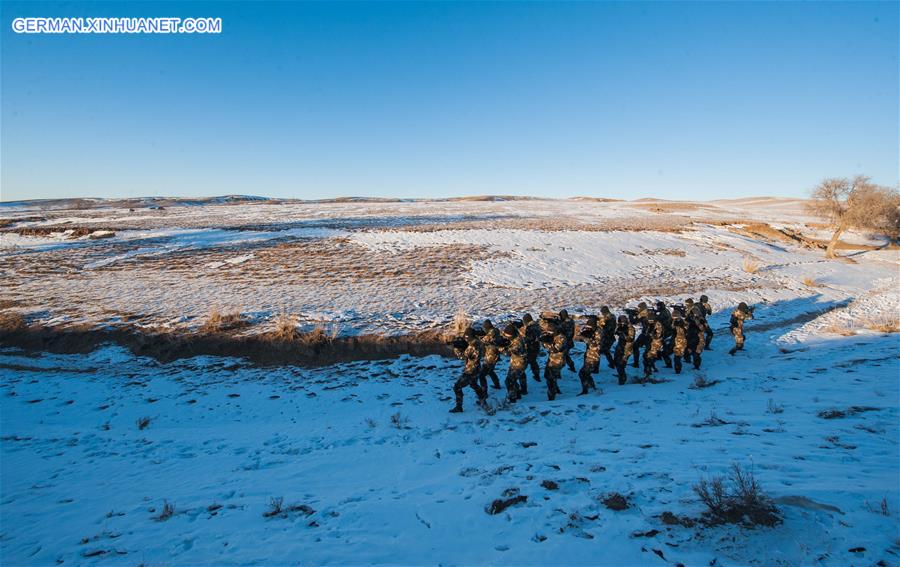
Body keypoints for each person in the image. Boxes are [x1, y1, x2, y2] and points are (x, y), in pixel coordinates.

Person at [450, 328, 487, 413]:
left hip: (470, 371)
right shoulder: (478, 342)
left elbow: (462, 356)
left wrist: (456, 349)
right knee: (474, 384)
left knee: (457, 387)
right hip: (477, 368)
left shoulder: (472, 346)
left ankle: (459, 407)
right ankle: (483, 401)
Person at [540, 313, 566, 400]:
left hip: (558, 360)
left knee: (551, 379)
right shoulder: (553, 336)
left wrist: (545, 343)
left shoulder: (561, 338)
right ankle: (556, 389)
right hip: (552, 359)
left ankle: (552, 397)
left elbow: (555, 349)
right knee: (547, 375)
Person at [575, 316, 601, 395]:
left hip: (593, 356)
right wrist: (583, 334)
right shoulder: (592, 331)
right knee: (586, 373)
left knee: (582, 373)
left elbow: (596, 344)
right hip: (589, 355)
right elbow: (579, 338)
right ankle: (592, 386)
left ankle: (585, 390)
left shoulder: (598, 333)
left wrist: (587, 338)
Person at [499, 323, 525, 402]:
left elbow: (508, 353)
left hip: (518, 364)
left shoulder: (517, 343)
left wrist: (500, 348)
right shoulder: (516, 337)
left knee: (509, 381)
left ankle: (512, 398)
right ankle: (517, 395)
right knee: (511, 380)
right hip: (515, 362)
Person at [478, 319, 503, 391]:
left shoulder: (491, 333)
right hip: (495, 354)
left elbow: (483, 341)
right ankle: (497, 384)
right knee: (490, 370)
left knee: (482, 375)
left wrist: (479, 337)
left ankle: (484, 393)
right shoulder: (496, 330)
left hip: (491, 355)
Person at [642, 311, 665, 380]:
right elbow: (646, 332)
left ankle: (648, 373)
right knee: (646, 356)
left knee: (649, 357)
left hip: (656, 343)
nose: (650, 321)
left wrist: (652, 335)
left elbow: (659, 335)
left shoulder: (658, 325)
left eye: (651, 319)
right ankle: (651, 369)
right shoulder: (649, 324)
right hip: (651, 342)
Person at [613, 314, 635, 385]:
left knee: (621, 363)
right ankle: (621, 374)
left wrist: (623, 333)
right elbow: (615, 332)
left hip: (626, 349)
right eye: (620, 322)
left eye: (623, 322)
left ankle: (622, 378)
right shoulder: (621, 326)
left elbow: (630, 339)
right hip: (620, 347)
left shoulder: (630, 328)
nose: (622, 323)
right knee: (616, 361)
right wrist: (618, 330)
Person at [521, 313, 542, 383]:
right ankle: (537, 375)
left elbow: (530, 338)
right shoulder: (536, 324)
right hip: (536, 345)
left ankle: (536, 376)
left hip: (532, 346)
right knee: (533, 361)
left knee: (529, 361)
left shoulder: (530, 327)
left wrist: (522, 339)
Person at [686, 304, 708, 369]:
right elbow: (685, 326)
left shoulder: (701, 319)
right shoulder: (688, 318)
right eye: (693, 314)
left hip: (699, 338)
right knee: (687, 350)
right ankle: (688, 360)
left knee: (696, 353)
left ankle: (696, 366)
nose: (694, 315)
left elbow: (704, 328)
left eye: (695, 314)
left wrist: (698, 322)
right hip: (690, 336)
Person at [631, 302, 650, 368]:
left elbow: (634, 321)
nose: (638, 309)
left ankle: (637, 364)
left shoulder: (643, 313)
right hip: (646, 334)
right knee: (636, 346)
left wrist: (631, 315)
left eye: (639, 308)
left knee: (636, 347)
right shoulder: (646, 312)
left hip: (647, 335)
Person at [670, 308, 688, 374]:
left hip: (681, 340)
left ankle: (678, 371)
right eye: (674, 317)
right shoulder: (673, 322)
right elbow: (671, 330)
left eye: (676, 317)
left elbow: (686, 330)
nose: (675, 319)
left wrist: (680, 326)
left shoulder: (683, 322)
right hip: (674, 340)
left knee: (677, 357)